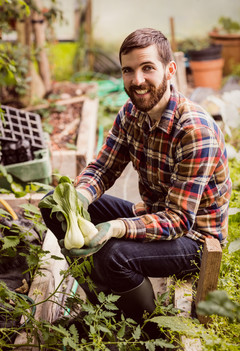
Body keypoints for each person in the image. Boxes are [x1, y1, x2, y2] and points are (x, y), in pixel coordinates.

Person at [41, 28, 232, 326]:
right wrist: (77, 197)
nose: (137, 80)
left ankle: (149, 328)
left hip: (194, 238)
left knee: (114, 255)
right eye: (128, 71)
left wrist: (117, 227)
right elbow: (103, 169)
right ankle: (106, 309)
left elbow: (179, 220)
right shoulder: (131, 114)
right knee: (52, 206)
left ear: (169, 70)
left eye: (147, 68)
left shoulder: (195, 132)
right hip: (155, 215)